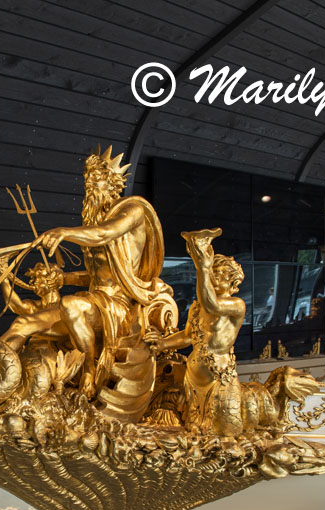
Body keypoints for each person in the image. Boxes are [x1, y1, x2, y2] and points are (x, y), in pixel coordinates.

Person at [35, 146, 177, 397]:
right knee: (27, 322)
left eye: (96, 178)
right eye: (87, 178)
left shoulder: (132, 212)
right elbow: (96, 275)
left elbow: (104, 234)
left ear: (112, 183)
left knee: (70, 304)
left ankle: (89, 370)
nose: (89, 183)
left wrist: (65, 232)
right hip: (94, 301)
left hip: (119, 306)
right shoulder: (93, 224)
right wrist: (62, 278)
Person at [146, 228, 247, 435]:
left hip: (219, 377)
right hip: (193, 378)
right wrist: (163, 343)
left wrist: (202, 266)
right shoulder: (197, 306)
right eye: (213, 273)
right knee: (195, 430)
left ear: (233, 282)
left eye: (220, 274)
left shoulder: (236, 305)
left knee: (226, 431)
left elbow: (212, 305)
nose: (214, 277)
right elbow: (187, 336)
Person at [0, 255, 87, 352]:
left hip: (59, 356)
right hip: (37, 356)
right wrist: (2, 276)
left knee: (21, 323)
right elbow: (16, 305)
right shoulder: (34, 307)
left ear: (53, 279)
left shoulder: (69, 306)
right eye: (33, 279)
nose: (34, 282)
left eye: (39, 277)